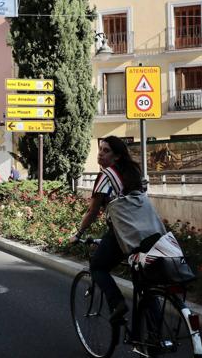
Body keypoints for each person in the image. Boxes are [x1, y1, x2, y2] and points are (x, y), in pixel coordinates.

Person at [69, 136, 145, 324]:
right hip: (148, 231)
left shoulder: (106, 176)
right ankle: (154, 336)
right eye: (100, 149)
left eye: (106, 150)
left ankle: (117, 303)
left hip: (123, 233)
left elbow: (92, 210)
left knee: (98, 267)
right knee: (145, 285)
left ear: (117, 156)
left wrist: (78, 234)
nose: (100, 153)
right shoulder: (135, 173)